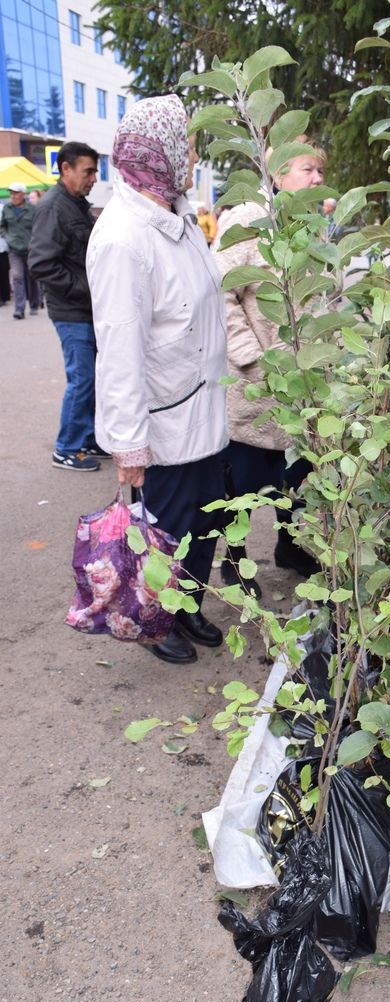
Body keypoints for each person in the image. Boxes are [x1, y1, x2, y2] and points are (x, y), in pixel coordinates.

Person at [86, 94, 229, 665]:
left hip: (202, 404)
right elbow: (118, 348)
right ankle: (155, 618)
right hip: (165, 416)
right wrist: (128, 444)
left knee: (206, 515)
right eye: (186, 143)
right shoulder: (123, 236)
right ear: (160, 149)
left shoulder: (175, 211)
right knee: (165, 528)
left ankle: (187, 602)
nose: (193, 154)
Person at [212, 136, 326, 590]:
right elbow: (220, 291)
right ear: (277, 173)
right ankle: (234, 561)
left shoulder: (309, 224)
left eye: (320, 171)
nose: (317, 178)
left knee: (296, 475)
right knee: (245, 481)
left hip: (302, 384)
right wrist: (247, 355)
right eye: (307, 170)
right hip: (256, 384)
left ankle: (289, 545)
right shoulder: (246, 219)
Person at [29, 142, 104, 472]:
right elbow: (41, 264)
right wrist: (86, 290)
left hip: (85, 310)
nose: (94, 178)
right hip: (72, 312)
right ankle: (66, 448)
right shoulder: (53, 207)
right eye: (88, 171)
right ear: (66, 169)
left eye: (95, 171)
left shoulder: (75, 204)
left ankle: (86, 438)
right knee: (82, 380)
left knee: (93, 379)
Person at [0, 183, 40, 319]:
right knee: (17, 277)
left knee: (32, 276)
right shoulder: (7, 208)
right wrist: (7, 237)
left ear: (23, 194)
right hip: (14, 249)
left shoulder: (32, 209)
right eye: (11, 193)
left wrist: (34, 242)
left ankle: (34, 304)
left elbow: (39, 227)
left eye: (16, 193)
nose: (13, 196)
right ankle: (19, 309)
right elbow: (2, 226)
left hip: (30, 249)